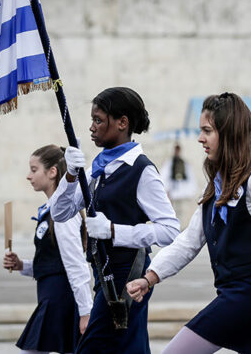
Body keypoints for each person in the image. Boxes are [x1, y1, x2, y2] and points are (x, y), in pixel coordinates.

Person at [126, 92, 251, 353]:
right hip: (233, 299)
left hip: (249, 300)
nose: (200, 138)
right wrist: (149, 278)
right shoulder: (214, 189)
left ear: (230, 132)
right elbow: (188, 243)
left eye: (207, 131)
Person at [49, 87, 180, 353]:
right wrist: (71, 176)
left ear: (122, 122)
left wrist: (114, 231)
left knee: (92, 347)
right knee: (131, 347)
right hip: (102, 271)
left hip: (127, 274)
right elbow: (60, 212)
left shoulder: (142, 170)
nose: (91, 127)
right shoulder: (97, 168)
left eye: (99, 120)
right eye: (92, 120)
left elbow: (170, 230)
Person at [3, 145, 93, 354]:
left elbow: (75, 263)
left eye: (34, 170)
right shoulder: (51, 210)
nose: (28, 176)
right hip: (50, 296)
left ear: (52, 172)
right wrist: (22, 265)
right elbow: (53, 263)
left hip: (61, 298)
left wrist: (85, 311)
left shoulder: (64, 214)